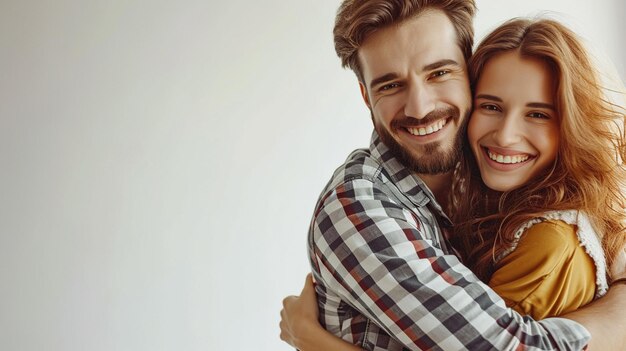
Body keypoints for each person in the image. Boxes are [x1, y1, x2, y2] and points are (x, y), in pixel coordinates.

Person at [280, 1, 626, 350]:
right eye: (390, 86)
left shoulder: (511, 202)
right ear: (366, 97)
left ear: (468, 72)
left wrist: (315, 343)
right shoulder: (358, 208)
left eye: (438, 73)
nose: (420, 107)